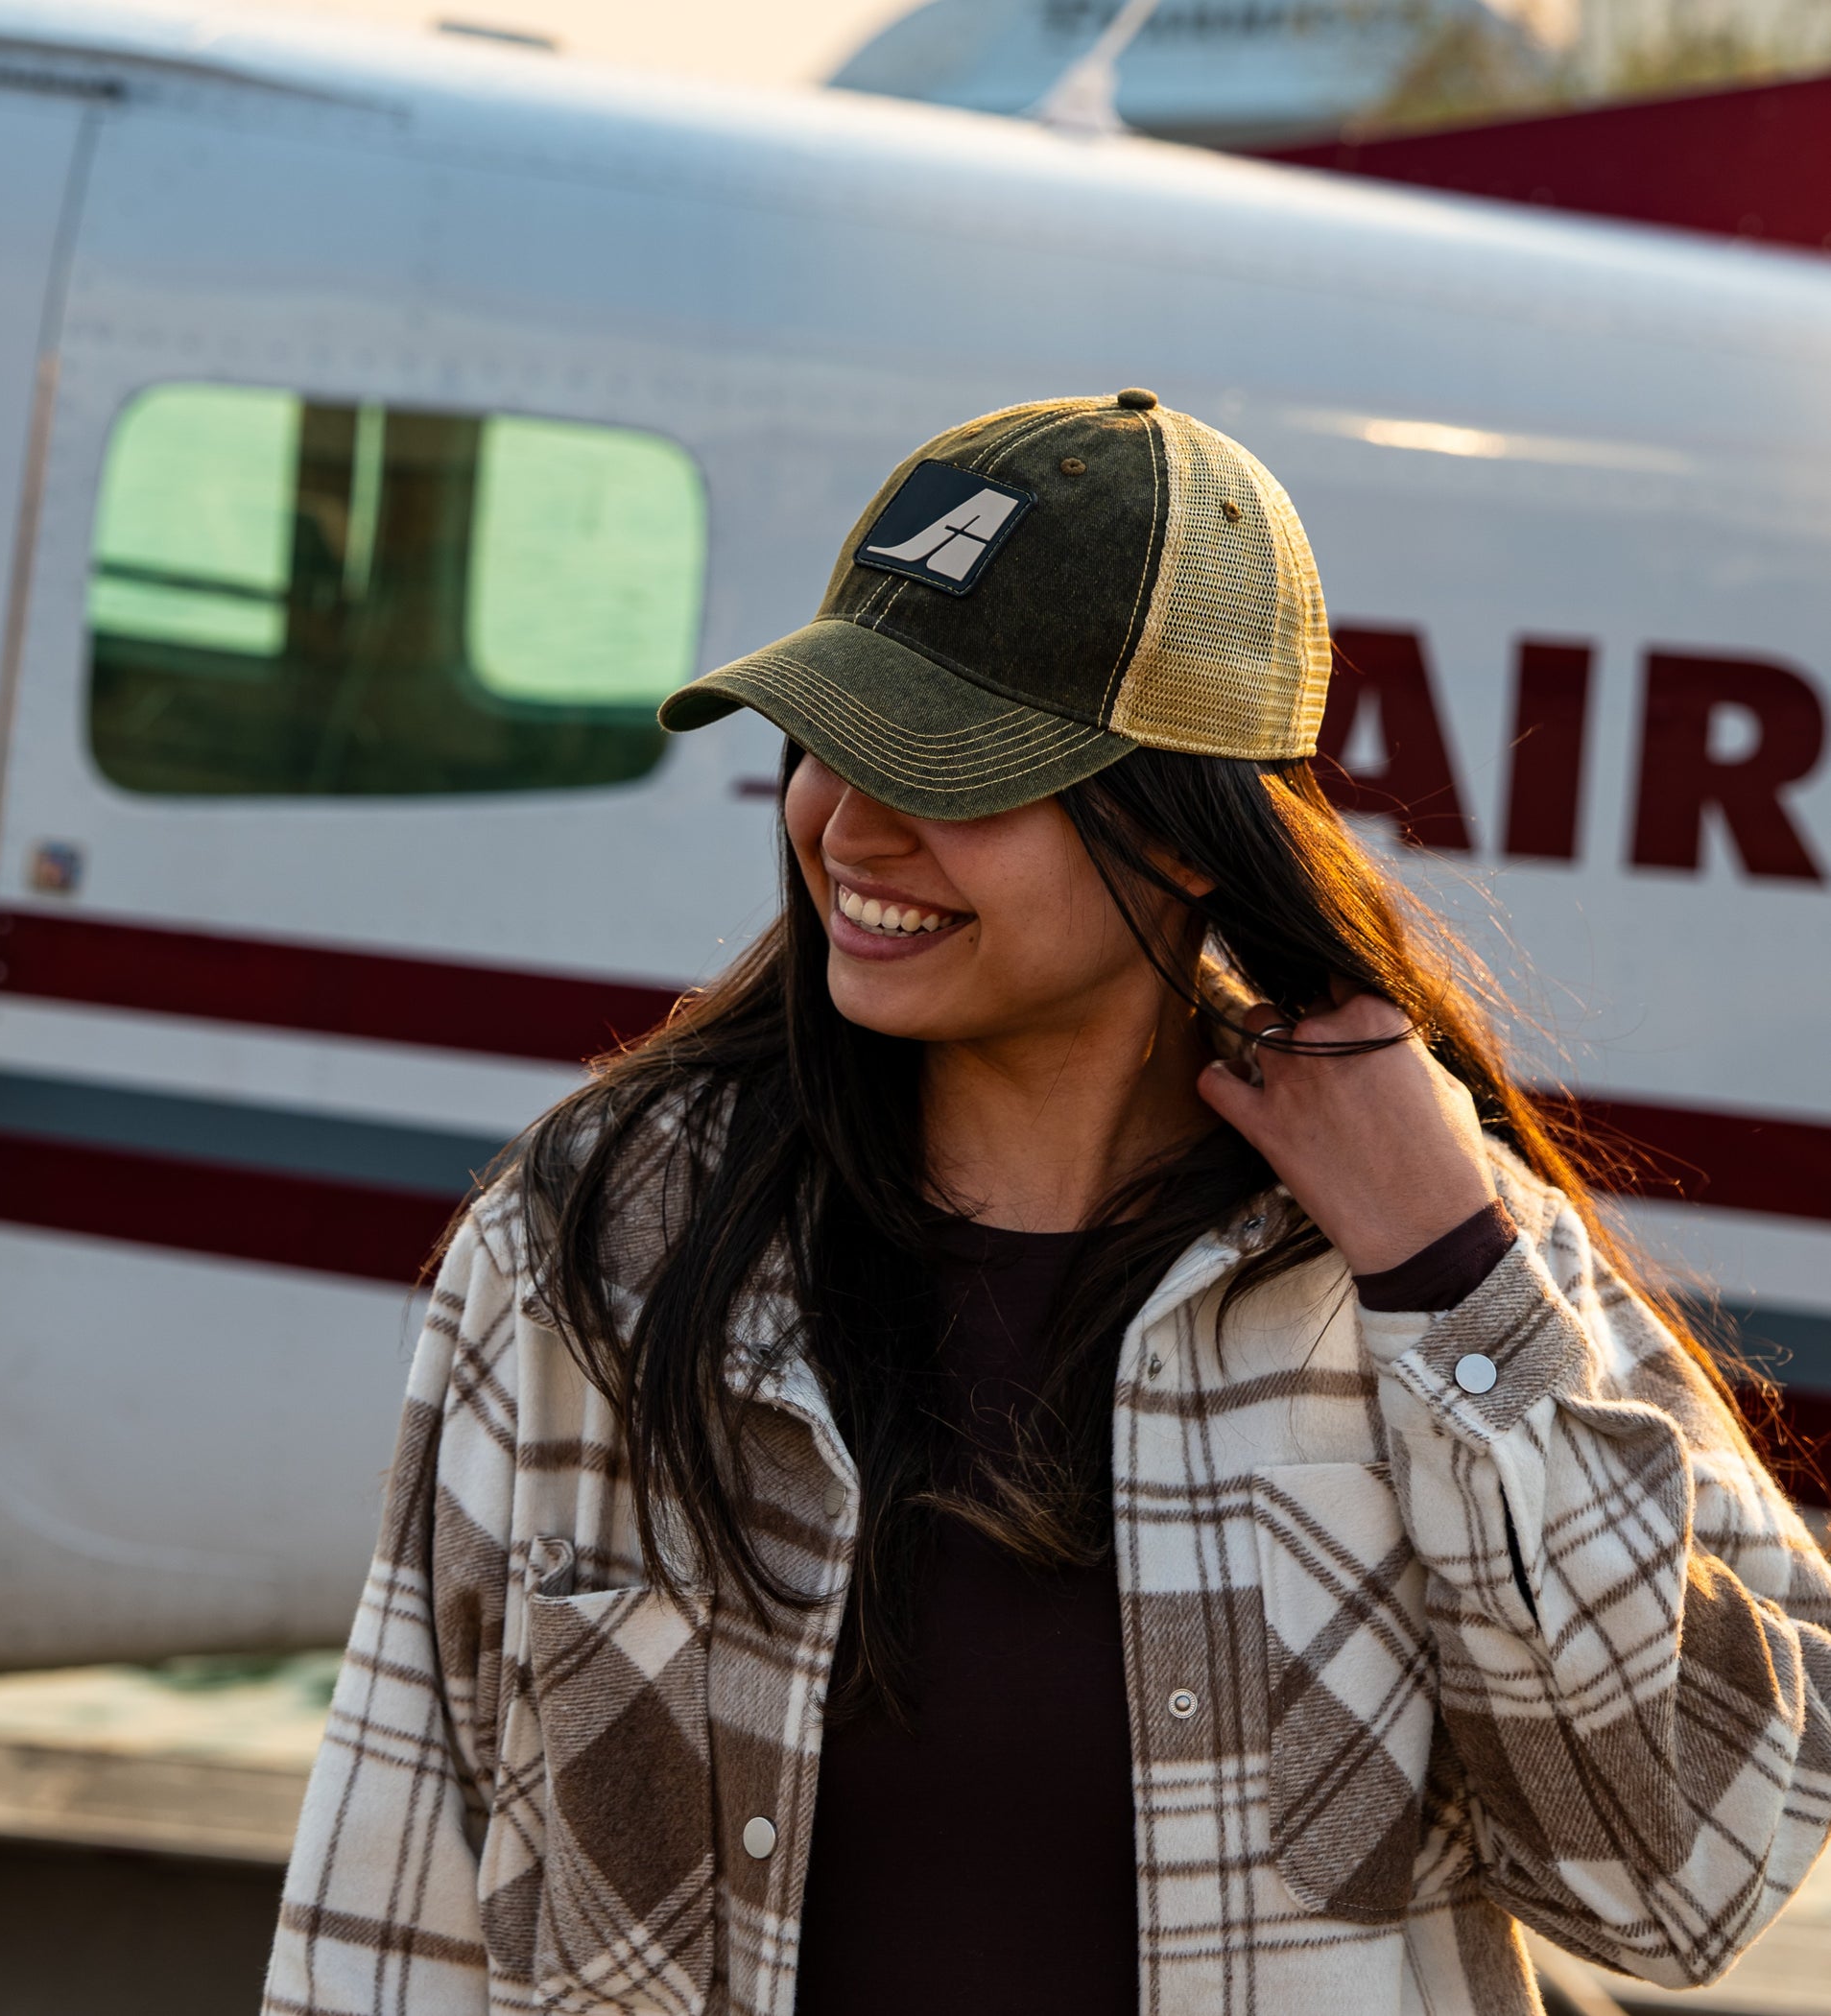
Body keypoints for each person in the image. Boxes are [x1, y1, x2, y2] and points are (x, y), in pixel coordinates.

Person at [264, 391, 1831, 2016]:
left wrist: (1447, 1274)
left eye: (953, 768)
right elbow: (392, 1893)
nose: (847, 826)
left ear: (1196, 825)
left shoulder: (1431, 1268)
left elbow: (1679, 1890)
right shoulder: (596, 1240)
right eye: (828, 738)